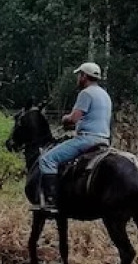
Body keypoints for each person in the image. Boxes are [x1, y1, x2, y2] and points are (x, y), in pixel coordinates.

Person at [37, 61, 112, 209]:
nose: (78, 78)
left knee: (47, 159)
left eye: (79, 75)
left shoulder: (86, 93)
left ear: (84, 76)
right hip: (104, 140)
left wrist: (65, 119)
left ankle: (50, 201)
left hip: (87, 139)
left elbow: (73, 119)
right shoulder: (105, 94)